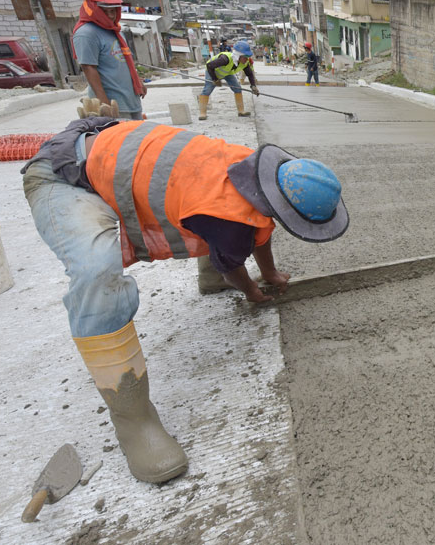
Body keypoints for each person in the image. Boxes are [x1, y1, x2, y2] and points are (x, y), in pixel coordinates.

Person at [21, 116, 349, 484]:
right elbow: (234, 256)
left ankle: (210, 272)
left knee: (221, 220)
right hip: (62, 175)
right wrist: (251, 289)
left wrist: (269, 273)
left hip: (112, 152)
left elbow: (257, 224)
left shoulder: (256, 173)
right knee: (98, 273)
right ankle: (133, 419)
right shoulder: (227, 212)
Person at [73, 0, 146, 120]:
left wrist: (138, 81)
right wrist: (104, 103)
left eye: (114, 11)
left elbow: (123, 62)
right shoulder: (86, 34)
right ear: (93, 8)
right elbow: (89, 68)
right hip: (113, 106)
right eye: (106, 11)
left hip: (131, 101)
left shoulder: (114, 31)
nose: (111, 15)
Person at [199, 40, 258, 120]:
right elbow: (209, 65)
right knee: (207, 90)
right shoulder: (225, 59)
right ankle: (202, 113)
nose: (246, 59)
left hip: (227, 73)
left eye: (247, 57)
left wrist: (253, 86)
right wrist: (215, 79)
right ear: (238, 55)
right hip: (213, 71)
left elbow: (250, 74)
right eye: (245, 57)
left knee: (237, 89)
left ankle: (241, 111)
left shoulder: (245, 63)